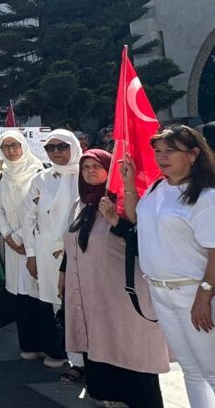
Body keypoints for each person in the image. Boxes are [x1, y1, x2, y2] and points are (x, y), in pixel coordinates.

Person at [62, 149, 169, 408]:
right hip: (91, 294)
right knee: (99, 344)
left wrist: (115, 220)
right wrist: (63, 273)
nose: (89, 172)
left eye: (96, 166)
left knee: (128, 347)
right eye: (85, 167)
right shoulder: (83, 204)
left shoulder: (123, 202)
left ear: (109, 171)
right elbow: (73, 243)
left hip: (121, 296)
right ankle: (111, 397)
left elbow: (142, 239)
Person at [125, 125, 215, 407]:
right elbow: (137, 216)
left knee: (211, 370)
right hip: (162, 293)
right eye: (158, 151)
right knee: (190, 369)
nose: (161, 157)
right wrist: (128, 183)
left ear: (193, 154)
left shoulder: (206, 197)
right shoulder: (156, 187)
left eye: (170, 150)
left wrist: (205, 295)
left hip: (194, 294)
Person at [24, 129, 83, 374]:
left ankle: (80, 360)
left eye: (62, 146)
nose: (56, 152)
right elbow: (29, 217)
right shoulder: (41, 179)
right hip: (45, 250)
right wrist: (31, 253)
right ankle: (59, 350)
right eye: (51, 148)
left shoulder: (86, 174)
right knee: (51, 302)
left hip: (77, 252)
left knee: (76, 304)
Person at [0, 130, 48, 359]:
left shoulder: (38, 174)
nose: (11, 151)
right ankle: (28, 344)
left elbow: (39, 211)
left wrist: (20, 237)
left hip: (33, 242)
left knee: (38, 294)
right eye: (5, 147)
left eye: (15, 145)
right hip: (13, 246)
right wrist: (7, 235)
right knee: (20, 295)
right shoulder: (2, 177)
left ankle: (49, 346)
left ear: (24, 146)